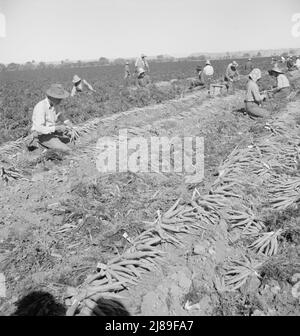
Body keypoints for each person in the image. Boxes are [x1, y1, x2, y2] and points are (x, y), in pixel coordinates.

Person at [31, 84, 73, 153]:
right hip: (41, 135)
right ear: (50, 97)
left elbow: (60, 115)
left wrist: (67, 122)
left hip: (52, 131)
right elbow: (39, 128)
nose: (60, 100)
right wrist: (57, 128)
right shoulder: (41, 107)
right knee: (67, 150)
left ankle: (52, 144)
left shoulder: (55, 104)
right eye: (58, 98)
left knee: (71, 138)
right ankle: (42, 147)